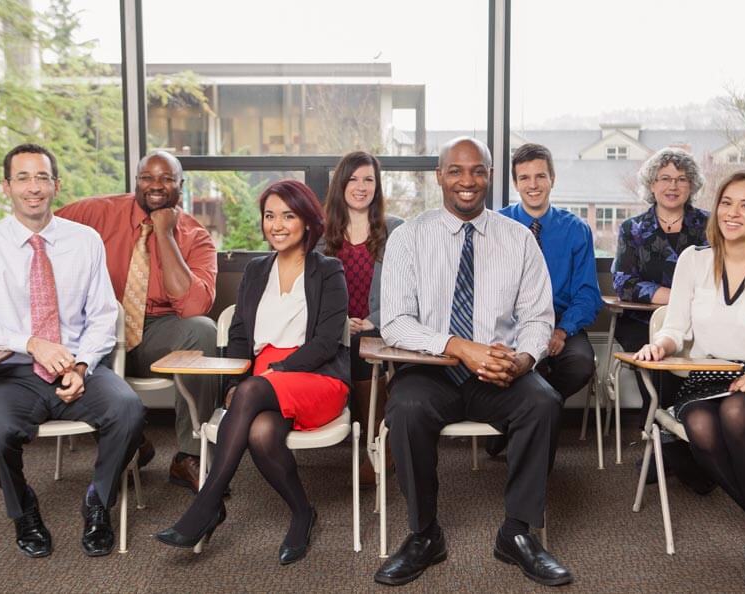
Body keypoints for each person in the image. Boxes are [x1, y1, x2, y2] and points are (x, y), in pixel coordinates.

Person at [374, 137, 571, 587]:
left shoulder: (518, 239)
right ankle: (424, 535)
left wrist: (522, 360)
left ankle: (517, 533)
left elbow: (538, 317)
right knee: (405, 409)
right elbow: (396, 323)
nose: (468, 180)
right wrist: (458, 346)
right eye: (457, 171)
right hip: (431, 370)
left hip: (498, 372)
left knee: (543, 402)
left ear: (489, 176)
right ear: (440, 176)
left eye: (478, 170)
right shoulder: (409, 237)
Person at [156, 180, 350, 565]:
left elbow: (327, 342)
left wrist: (272, 373)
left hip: (316, 376)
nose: (277, 225)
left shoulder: (328, 270)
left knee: (250, 393)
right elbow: (241, 336)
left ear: (308, 222)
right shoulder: (256, 270)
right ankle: (302, 513)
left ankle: (207, 504)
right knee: (261, 433)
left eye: (288, 216)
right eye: (269, 216)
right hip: (264, 383)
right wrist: (237, 381)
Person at [0, 144, 145, 558]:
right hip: (13, 372)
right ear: (7, 187)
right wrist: (30, 342)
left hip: (77, 368)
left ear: (55, 185)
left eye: (41, 177)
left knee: (128, 410)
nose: (33, 187)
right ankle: (23, 508)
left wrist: (80, 364)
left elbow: (102, 316)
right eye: (22, 178)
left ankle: (98, 500)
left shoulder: (85, 241)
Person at [633, 171, 745, 584]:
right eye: (727, 202)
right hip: (706, 373)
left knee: (736, 412)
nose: (732, 213)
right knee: (699, 422)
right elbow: (675, 328)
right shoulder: (694, 260)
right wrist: (660, 346)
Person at [56, 151, 218, 493]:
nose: (156, 186)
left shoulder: (196, 236)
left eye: (166, 179)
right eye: (147, 178)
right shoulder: (96, 212)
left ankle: (189, 455)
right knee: (62, 337)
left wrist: (165, 235)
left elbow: (193, 307)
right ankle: (133, 440)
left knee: (204, 331)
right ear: (136, 181)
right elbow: (42, 231)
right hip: (99, 329)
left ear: (181, 185)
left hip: (158, 333)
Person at [487, 143, 601, 457]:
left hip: (562, 323)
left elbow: (587, 292)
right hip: (512, 325)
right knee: (504, 362)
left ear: (553, 178)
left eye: (540, 176)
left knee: (579, 365)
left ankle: (521, 419)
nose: (533, 185)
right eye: (524, 178)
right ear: (515, 183)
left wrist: (562, 331)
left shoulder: (576, 230)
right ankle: (523, 415)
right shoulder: (497, 226)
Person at [612, 147, 713, 491]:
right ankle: (677, 449)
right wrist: (675, 297)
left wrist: (690, 304)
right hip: (641, 324)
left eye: (681, 179)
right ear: (651, 185)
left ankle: (678, 450)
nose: (673, 186)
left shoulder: (710, 225)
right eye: (665, 178)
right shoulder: (632, 229)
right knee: (661, 365)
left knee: (695, 367)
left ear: (691, 186)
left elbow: (723, 276)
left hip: (701, 325)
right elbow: (624, 281)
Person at [317, 151, 403, 484]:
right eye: (353, 179)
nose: (361, 186)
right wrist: (341, 321)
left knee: (364, 347)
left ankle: (378, 447)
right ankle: (374, 441)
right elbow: (313, 291)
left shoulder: (395, 230)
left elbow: (407, 289)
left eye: (369, 179)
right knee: (351, 345)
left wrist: (374, 319)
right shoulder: (322, 235)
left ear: (377, 186)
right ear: (340, 184)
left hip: (383, 326)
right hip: (335, 327)